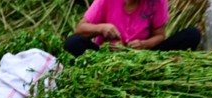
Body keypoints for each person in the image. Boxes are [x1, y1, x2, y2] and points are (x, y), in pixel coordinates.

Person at [64, 0, 202, 56]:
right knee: (72, 42)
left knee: (192, 35)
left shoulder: (156, 2)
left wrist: (144, 44)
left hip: (146, 57)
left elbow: (160, 35)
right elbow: (80, 29)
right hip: (105, 57)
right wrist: (101, 28)